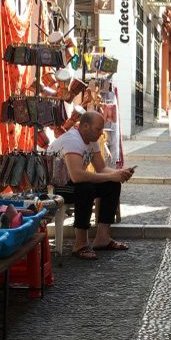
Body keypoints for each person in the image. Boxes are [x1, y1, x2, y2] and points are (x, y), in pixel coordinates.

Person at [49, 110, 134, 260]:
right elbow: (77, 176)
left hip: (72, 182)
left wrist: (118, 174)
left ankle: (103, 238)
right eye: (98, 129)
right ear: (85, 126)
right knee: (85, 189)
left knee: (112, 185)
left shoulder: (91, 139)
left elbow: (101, 168)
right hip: (56, 186)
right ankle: (80, 243)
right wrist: (111, 175)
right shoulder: (73, 140)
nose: (101, 133)